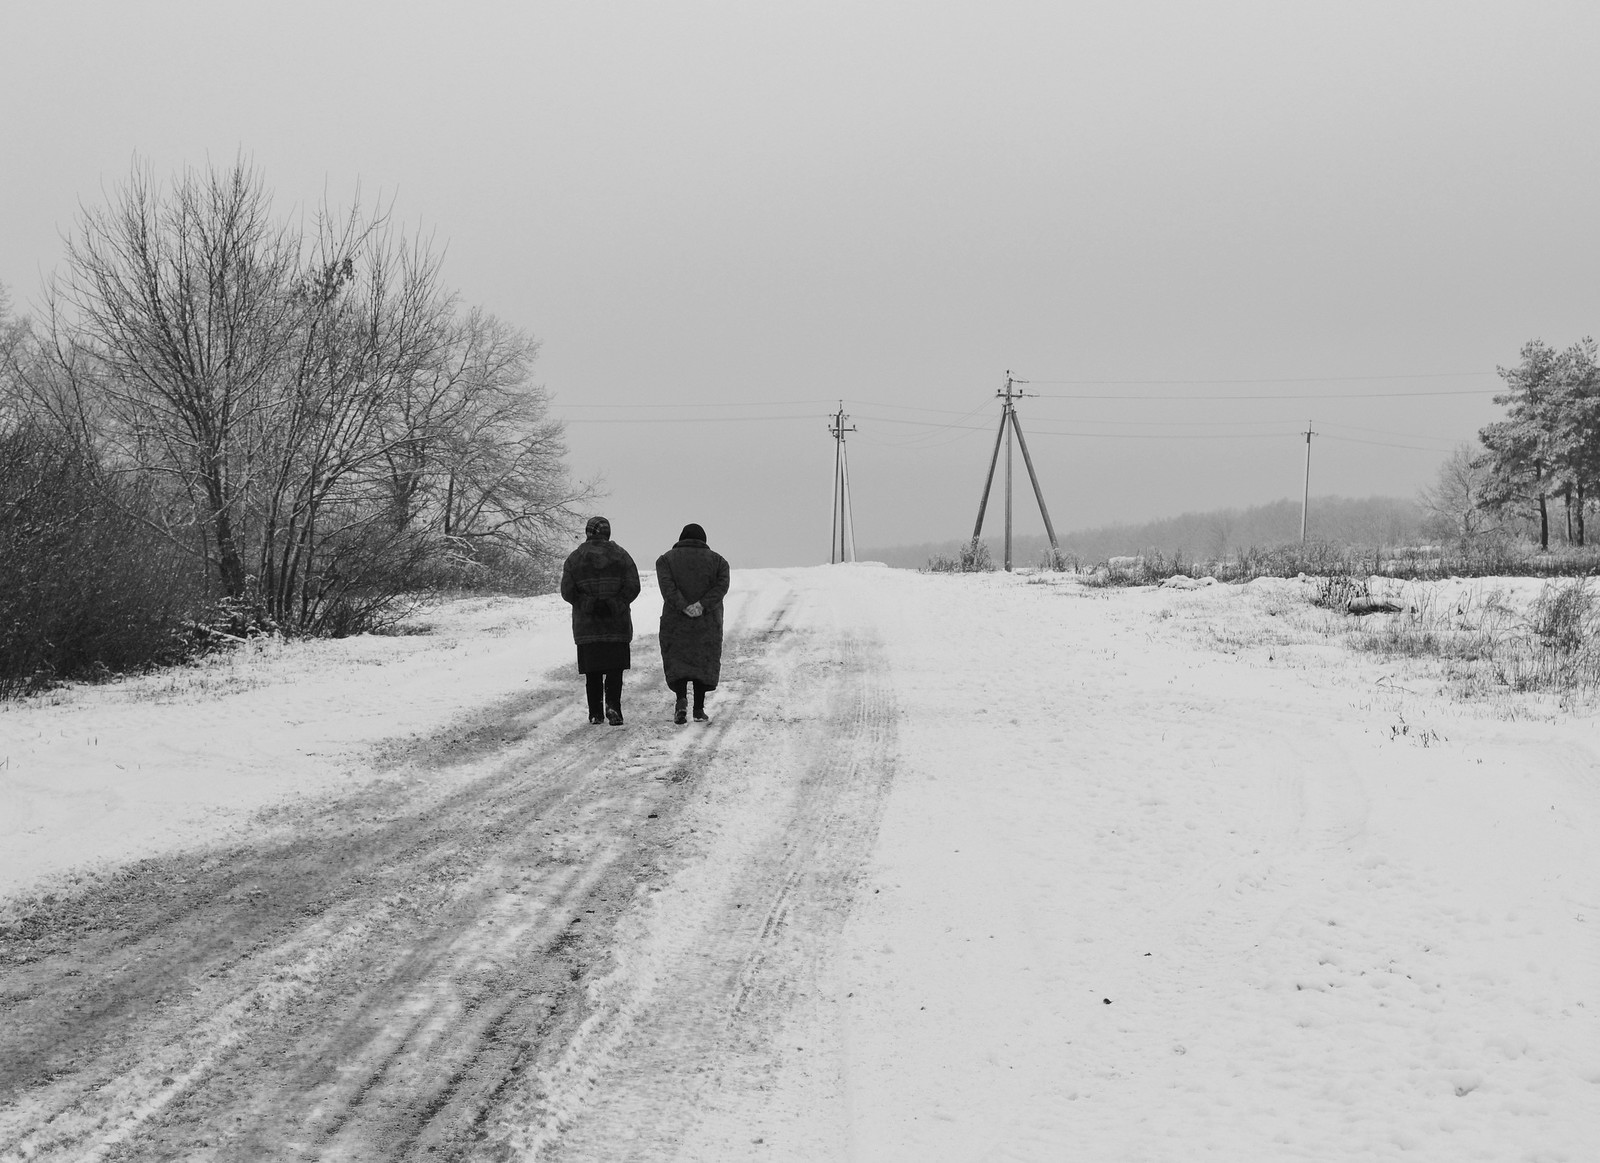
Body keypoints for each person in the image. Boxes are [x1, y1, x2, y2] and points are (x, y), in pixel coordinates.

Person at [560, 516, 641, 725]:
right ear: (608, 533)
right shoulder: (622, 556)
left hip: (587, 627)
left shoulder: (575, 558)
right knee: (615, 670)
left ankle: (595, 713)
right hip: (617, 624)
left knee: (592, 673)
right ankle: (613, 708)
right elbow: (633, 587)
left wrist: (589, 604)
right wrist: (614, 604)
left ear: (588, 532)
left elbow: (568, 591)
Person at [656, 522, 730, 724]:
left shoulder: (665, 561)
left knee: (678, 661)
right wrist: (701, 605)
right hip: (707, 622)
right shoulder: (719, 562)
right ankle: (698, 709)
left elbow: (667, 588)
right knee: (702, 662)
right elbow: (722, 586)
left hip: (675, 621)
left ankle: (681, 699)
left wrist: (683, 606)